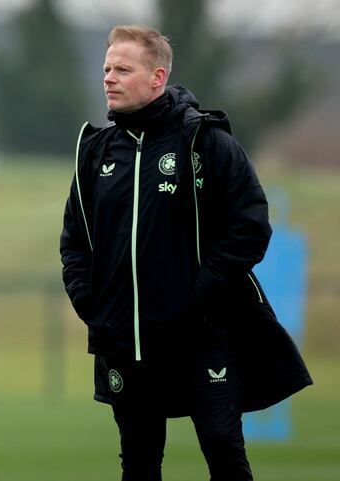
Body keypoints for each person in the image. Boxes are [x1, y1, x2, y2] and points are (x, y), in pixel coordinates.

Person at [60, 25, 312, 481]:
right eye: (106, 69)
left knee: (222, 449)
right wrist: (90, 303)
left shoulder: (205, 140)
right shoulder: (95, 153)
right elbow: (74, 242)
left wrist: (199, 293)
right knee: (138, 461)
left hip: (202, 334)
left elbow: (250, 224)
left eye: (122, 69)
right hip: (126, 340)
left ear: (157, 77)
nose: (109, 78)